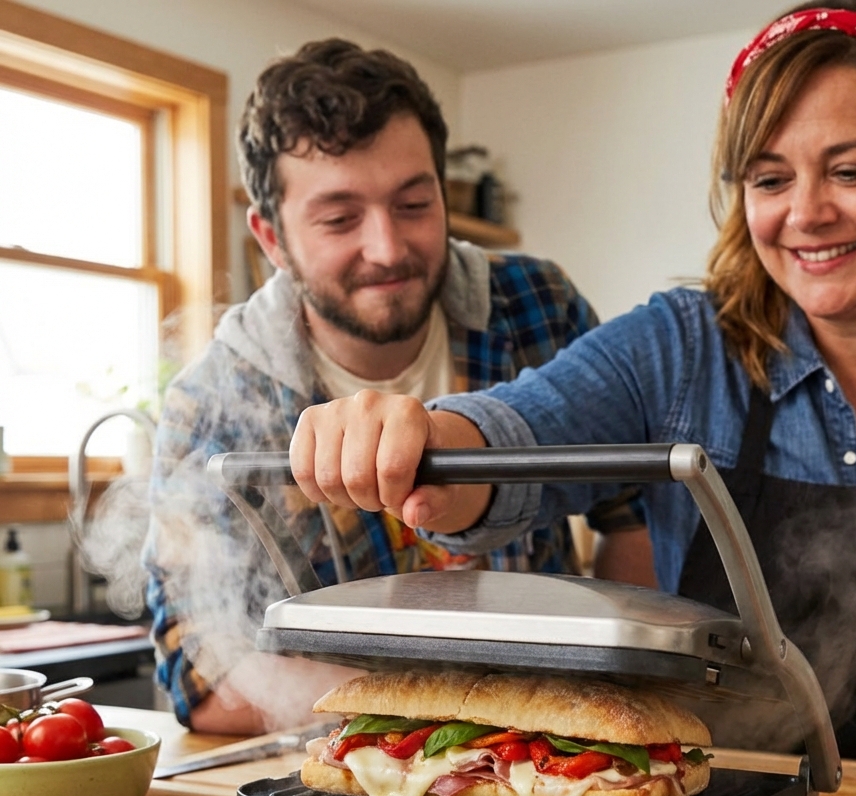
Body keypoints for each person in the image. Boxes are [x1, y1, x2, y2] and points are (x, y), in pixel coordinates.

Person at [287, 0, 856, 796]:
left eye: (851, 171)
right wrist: (417, 437)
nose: (806, 213)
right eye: (770, 179)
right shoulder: (680, 350)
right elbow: (512, 434)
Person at [143, 39, 647, 734]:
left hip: (561, 740)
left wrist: (616, 685)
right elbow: (198, 672)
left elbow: (637, 514)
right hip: (350, 761)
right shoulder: (216, 402)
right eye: (340, 219)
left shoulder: (540, 304)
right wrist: (458, 713)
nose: (387, 248)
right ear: (272, 238)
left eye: (414, 203)